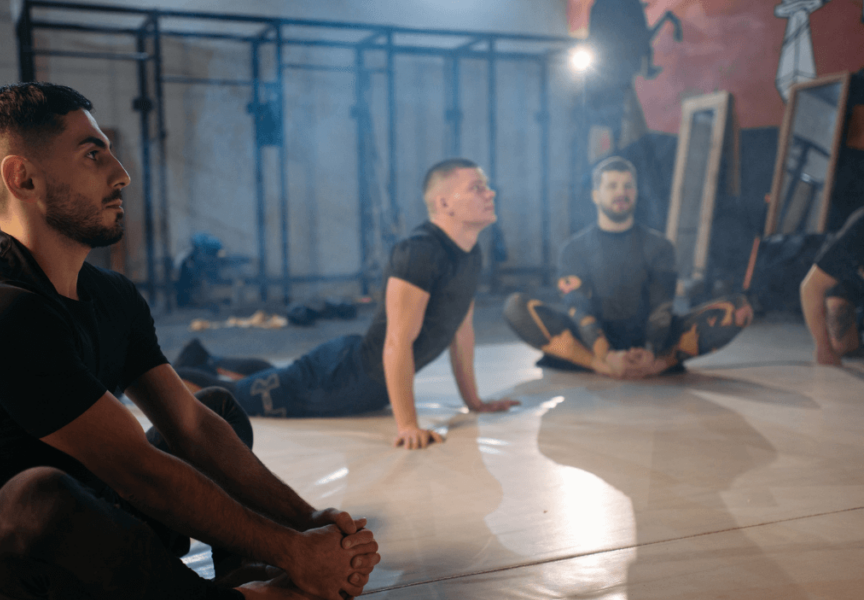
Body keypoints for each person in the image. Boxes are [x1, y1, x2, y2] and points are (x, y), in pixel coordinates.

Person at [0, 82, 380, 600]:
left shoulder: (111, 295)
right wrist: (297, 551)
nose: (122, 172)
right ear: (22, 179)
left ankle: (245, 571)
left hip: (105, 530)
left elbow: (189, 426)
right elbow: (135, 468)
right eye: (93, 154)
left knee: (217, 408)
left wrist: (306, 523)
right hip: (9, 589)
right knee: (41, 499)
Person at [174, 158, 518, 449]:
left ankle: (207, 358)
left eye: (486, 187)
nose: (491, 193)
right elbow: (397, 341)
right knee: (236, 397)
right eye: (477, 187)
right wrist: (408, 425)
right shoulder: (420, 251)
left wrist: (475, 403)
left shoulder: (470, 253)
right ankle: (148, 379)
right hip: (337, 380)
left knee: (277, 377)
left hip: (357, 376)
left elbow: (462, 332)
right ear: (444, 204)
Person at [503, 156, 753, 378]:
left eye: (627, 186)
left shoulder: (660, 246)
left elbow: (661, 307)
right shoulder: (574, 249)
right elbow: (577, 306)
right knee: (515, 307)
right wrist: (605, 355)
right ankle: (597, 366)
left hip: (649, 337)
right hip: (591, 341)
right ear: (595, 195)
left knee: (740, 309)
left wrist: (651, 351)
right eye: (612, 186)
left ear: (635, 192)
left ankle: (658, 364)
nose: (621, 192)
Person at [800, 207, 864, 365]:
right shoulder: (858, 230)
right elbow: (810, 288)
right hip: (850, 286)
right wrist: (824, 348)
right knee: (841, 343)